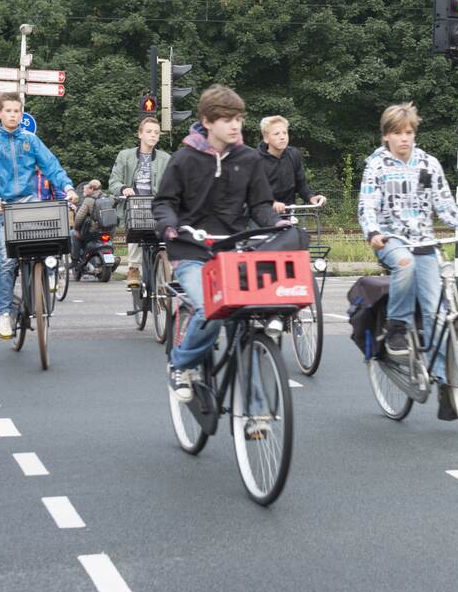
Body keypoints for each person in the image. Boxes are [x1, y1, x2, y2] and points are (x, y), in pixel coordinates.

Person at [153, 85, 279, 405]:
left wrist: (276, 225)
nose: (235, 125)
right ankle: (181, 365)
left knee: (246, 322)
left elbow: (261, 206)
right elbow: (165, 202)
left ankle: (256, 412)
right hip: (190, 250)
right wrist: (169, 226)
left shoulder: (249, 159)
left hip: (232, 250)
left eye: (238, 118)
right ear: (207, 122)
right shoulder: (184, 158)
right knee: (211, 307)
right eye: (226, 119)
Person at [356, 102, 458, 422]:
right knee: (404, 263)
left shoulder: (428, 164)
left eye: (409, 133)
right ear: (386, 137)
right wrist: (373, 231)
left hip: (425, 242)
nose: (405, 139)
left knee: (439, 315)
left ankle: (445, 386)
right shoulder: (376, 165)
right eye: (397, 133)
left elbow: (445, 206)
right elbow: (366, 204)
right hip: (392, 241)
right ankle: (397, 327)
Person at [0, 92, 79, 339]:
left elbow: (51, 165)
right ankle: (4, 315)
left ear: (22, 114)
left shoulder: (31, 140)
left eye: (17, 111)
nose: (13, 115)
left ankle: (44, 283)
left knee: (45, 247)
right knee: (7, 261)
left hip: (30, 203)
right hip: (4, 206)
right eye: (8, 110)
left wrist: (68, 188)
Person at [109, 116, 170, 287]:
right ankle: (133, 268)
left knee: (168, 228)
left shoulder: (165, 158)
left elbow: (172, 182)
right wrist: (123, 189)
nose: (153, 135)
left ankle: (166, 265)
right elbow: (113, 181)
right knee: (136, 227)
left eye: (156, 133)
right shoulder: (125, 156)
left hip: (156, 204)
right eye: (149, 132)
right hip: (134, 205)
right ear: (140, 134)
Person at [257, 115, 326, 213]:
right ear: (266, 138)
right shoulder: (255, 160)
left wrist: (311, 197)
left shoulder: (294, 155)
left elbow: (301, 183)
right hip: (261, 215)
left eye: (285, 133)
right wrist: (273, 203)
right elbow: (256, 191)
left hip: (288, 213)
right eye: (276, 134)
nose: (282, 137)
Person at [72, 179, 105, 263]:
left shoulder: (89, 200)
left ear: (92, 189)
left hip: (93, 232)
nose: (85, 190)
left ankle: (75, 260)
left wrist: (76, 229)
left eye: (86, 188)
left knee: (73, 234)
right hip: (107, 231)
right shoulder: (107, 198)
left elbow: (79, 218)